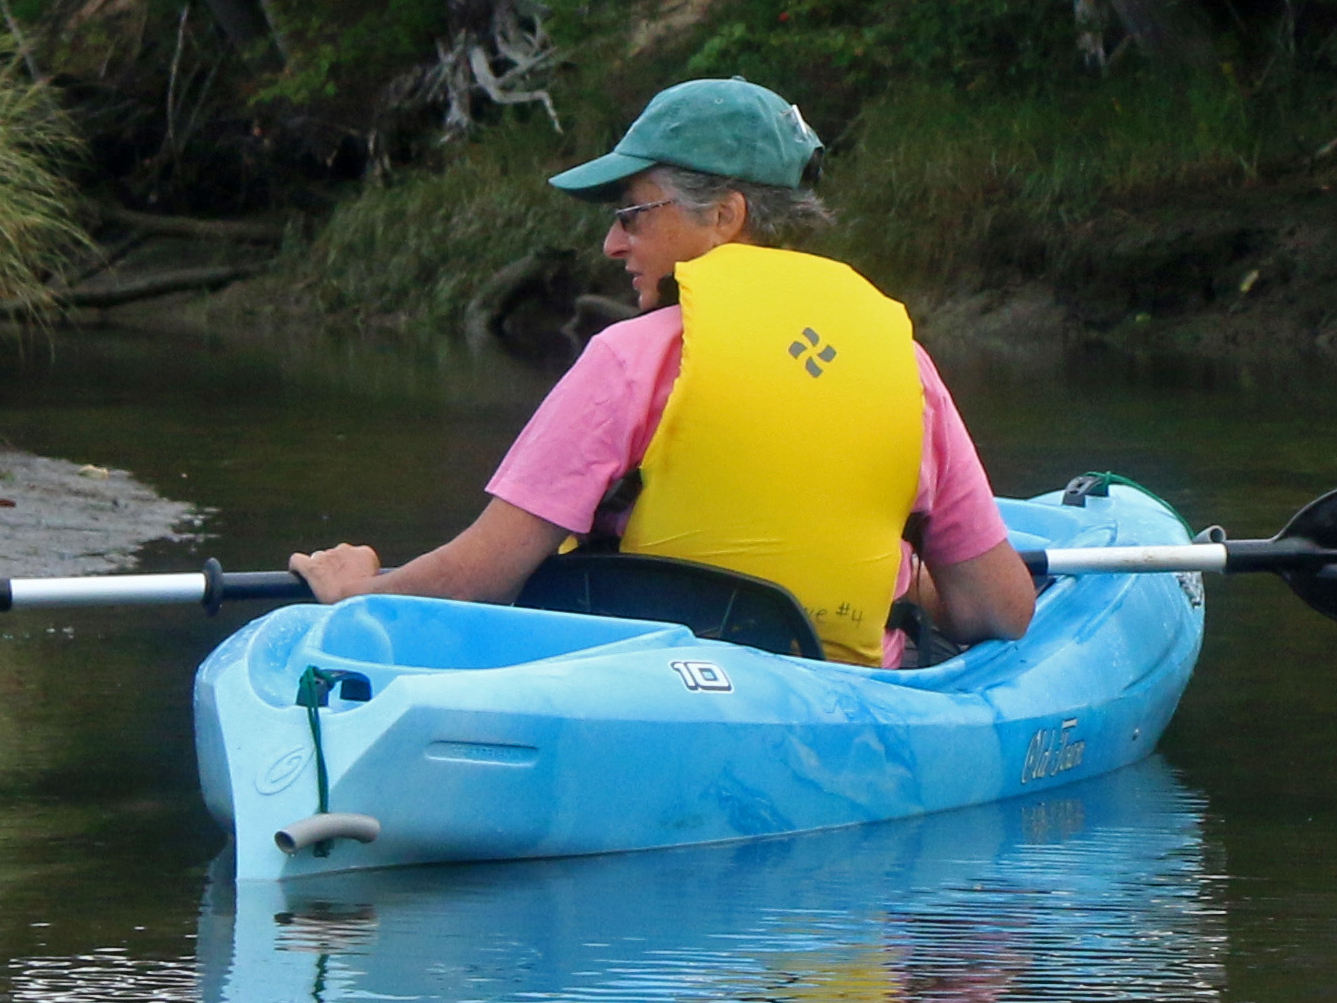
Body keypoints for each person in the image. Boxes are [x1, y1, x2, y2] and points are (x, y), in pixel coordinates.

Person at [285, 77, 1035, 667]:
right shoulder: (905, 366)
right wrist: (901, 582)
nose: (613, 244)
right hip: (847, 703)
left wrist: (360, 593)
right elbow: (1000, 609)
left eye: (633, 213)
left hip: (653, 696)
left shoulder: (628, 360)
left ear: (725, 216)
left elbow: (479, 577)